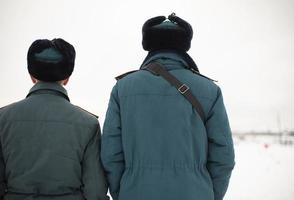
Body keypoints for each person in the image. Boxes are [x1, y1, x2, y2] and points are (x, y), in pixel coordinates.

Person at [101, 14, 235, 200]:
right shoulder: (210, 90)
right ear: (183, 46)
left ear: (149, 45)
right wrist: (209, 194)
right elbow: (224, 156)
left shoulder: (123, 89)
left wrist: (123, 192)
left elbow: (111, 154)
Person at [0, 38, 109, 200]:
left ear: (31, 75)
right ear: (67, 78)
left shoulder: (3, 118)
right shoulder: (88, 123)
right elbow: (96, 192)